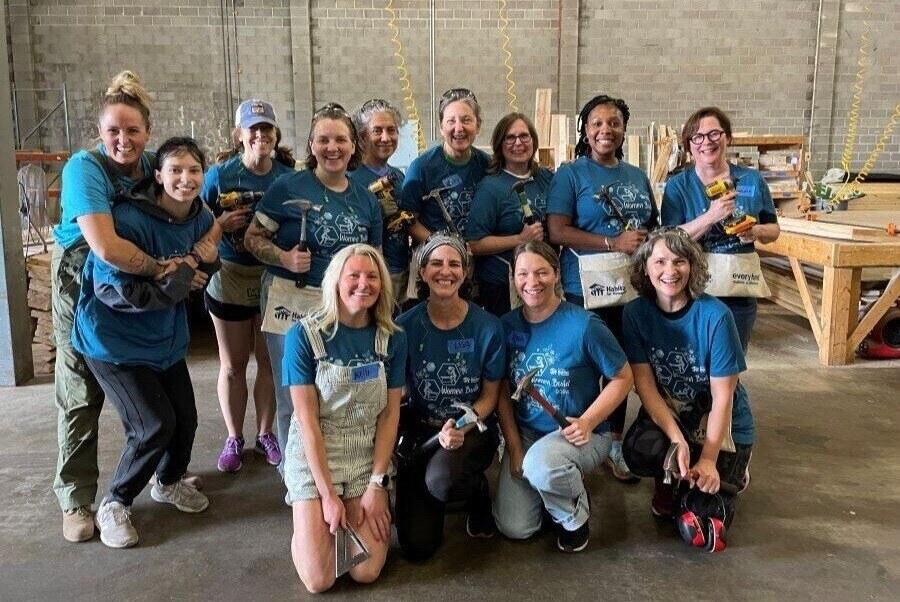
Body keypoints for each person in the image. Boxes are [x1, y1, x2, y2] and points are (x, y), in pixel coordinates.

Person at [51, 71, 219, 543]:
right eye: (112, 131)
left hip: (148, 298)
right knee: (82, 396)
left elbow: (205, 221)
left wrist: (202, 248)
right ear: (99, 133)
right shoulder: (87, 169)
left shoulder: (155, 169)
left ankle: (166, 481)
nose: (122, 140)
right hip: (87, 280)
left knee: (181, 415)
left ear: (148, 133)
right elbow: (106, 248)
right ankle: (81, 499)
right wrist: (172, 269)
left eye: (132, 131)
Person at [244, 103, 382, 471]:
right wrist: (283, 258)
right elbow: (252, 237)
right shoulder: (288, 185)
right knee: (294, 392)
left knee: (338, 390)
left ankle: (336, 467)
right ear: (311, 144)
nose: (332, 147)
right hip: (292, 298)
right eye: (323, 140)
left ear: (354, 145)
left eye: (340, 139)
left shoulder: (366, 199)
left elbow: (374, 259)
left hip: (344, 305)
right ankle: (297, 477)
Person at [493, 240, 633, 553]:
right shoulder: (506, 326)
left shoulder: (585, 325)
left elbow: (623, 378)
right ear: (514, 279)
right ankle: (552, 487)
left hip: (579, 435)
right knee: (516, 527)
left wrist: (587, 421)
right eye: (523, 274)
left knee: (544, 465)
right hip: (528, 435)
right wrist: (514, 448)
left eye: (542, 272)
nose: (532, 282)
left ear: (557, 274)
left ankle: (574, 515)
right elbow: (503, 390)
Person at [546, 94, 657, 483]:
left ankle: (612, 441)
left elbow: (651, 226)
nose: (605, 130)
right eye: (596, 123)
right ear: (585, 130)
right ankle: (577, 433)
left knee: (621, 366)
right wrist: (613, 243)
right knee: (585, 364)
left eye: (613, 123)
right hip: (586, 288)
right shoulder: (571, 175)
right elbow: (556, 231)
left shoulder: (636, 175)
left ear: (624, 129)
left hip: (632, 287)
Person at [281, 244, 406, 592]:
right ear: (336, 280)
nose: (363, 284)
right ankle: (307, 531)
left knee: (365, 572)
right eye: (354, 275)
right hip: (315, 456)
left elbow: (389, 414)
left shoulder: (393, 338)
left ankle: (334, 529)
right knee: (319, 580)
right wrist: (327, 496)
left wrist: (376, 484)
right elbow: (307, 424)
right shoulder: (304, 337)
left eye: (372, 276)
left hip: (365, 454)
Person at [621, 228, 754, 552]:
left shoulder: (716, 316)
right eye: (660, 261)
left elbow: (723, 397)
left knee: (700, 523)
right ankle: (672, 476)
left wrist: (709, 459)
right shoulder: (635, 314)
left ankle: (728, 469)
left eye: (680, 261)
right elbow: (646, 387)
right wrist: (678, 440)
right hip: (673, 412)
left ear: (693, 267)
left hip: (721, 420)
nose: (670, 271)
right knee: (640, 451)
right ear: (645, 267)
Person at [394, 233, 505, 560]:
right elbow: (396, 392)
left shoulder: (488, 327)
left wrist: (461, 426)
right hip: (421, 430)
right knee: (416, 548)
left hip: (471, 429)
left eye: (454, 264)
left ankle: (476, 492)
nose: (446, 272)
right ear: (423, 272)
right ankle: (428, 485)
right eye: (436, 264)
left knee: (444, 480)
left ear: (466, 271)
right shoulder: (404, 326)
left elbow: (489, 398)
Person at [202, 99, 296, 473]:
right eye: (252, 128)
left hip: (273, 277)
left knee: (271, 362)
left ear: (275, 134)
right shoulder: (219, 176)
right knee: (233, 365)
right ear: (239, 134)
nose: (260, 134)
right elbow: (199, 223)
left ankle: (265, 433)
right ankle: (233, 436)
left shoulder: (286, 176)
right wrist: (222, 223)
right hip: (231, 275)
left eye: (266, 128)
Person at [661, 107, 780, 351]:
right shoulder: (678, 186)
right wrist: (711, 217)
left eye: (714, 134)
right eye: (697, 137)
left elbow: (774, 230)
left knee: (732, 359)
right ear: (689, 145)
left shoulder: (751, 180)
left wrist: (755, 231)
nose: (706, 142)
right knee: (695, 359)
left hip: (739, 287)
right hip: (693, 289)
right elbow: (670, 240)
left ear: (728, 138)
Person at [467, 112, 553, 316]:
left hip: (540, 281)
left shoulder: (546, 178)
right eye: (510, 137)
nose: (518, 143)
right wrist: (520, 239)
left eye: (524, 136)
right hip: (501, 287)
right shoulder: (490, 187)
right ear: (499, 144)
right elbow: (474, 244)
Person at [400, 88, 489, 243]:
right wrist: (439, 246)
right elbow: (409, 221)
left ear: (478, 125)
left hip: (478, 256)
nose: (459, 128)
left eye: (466, 120)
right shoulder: (421, 168)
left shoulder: (487, 165)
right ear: (441, 127)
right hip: (435, 260)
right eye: (451, 121)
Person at [348, 99, 409, 306]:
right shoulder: (350, 179)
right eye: (377, 131)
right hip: (367, 274)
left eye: (391, 130)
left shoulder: (398, 176)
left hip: (400, 270)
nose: (386, 138)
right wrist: (373, 214)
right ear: (362, 138)